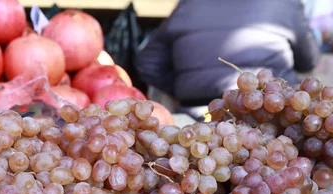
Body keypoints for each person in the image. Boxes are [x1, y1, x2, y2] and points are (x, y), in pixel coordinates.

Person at [135, 0, 321, 117]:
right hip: (271, 115)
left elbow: (147, 62)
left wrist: (184, 85)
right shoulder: (285, 4)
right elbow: (309, 60)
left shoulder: (188, 4)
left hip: (197, 113)